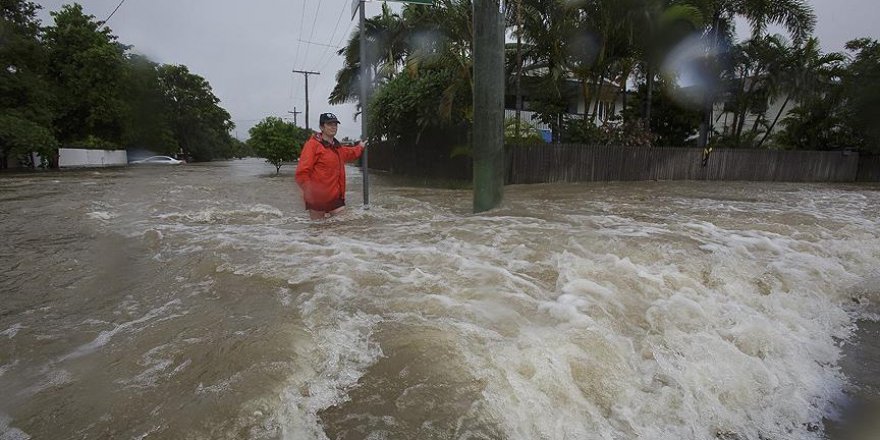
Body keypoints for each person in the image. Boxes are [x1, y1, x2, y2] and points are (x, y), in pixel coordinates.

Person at [294, 113, 365, 219]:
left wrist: (360, 147)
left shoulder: (337, 147)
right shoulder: (312, 145)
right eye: (329, 124)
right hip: (316, 198)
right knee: (318, 230)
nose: (333, 127)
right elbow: (302, 173)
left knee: (343, 226)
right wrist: (310, 193)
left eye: (335, 124)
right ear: (321, 127)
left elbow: (350, 153)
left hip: (336, 197)